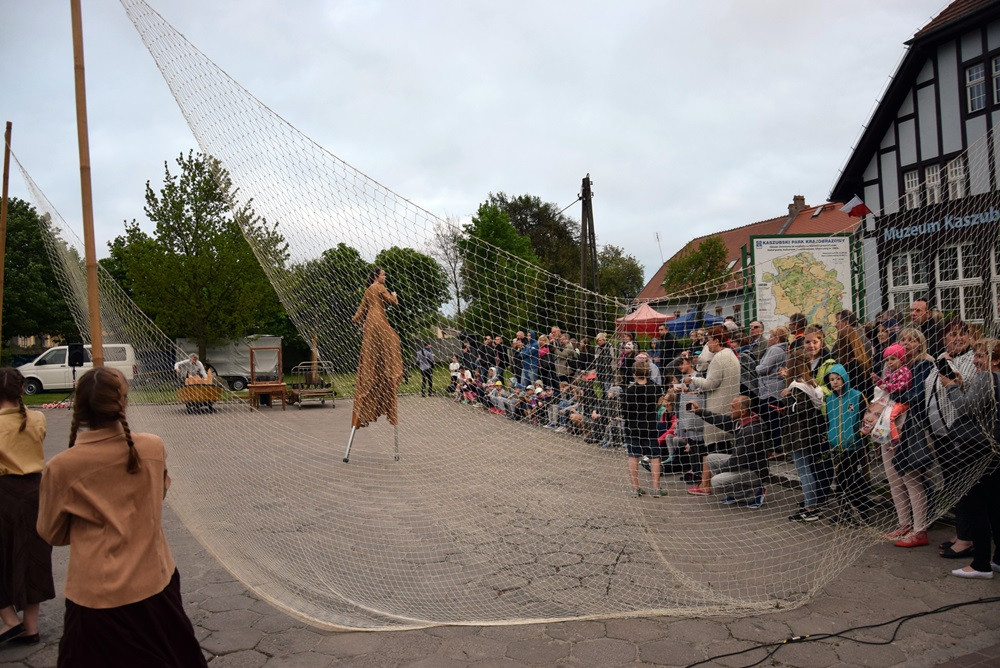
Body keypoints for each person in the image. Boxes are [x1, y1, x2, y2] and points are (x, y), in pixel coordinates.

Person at [36, 367, 206, 666]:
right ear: (123, 402)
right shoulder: (152, 446)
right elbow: (159, 493)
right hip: (155, 582)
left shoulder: (62, 466)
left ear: (79, 406)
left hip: (96, 595)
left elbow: (52, 533)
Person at [0, 368, 54, 646]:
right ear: (21, 391)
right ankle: (30, 627)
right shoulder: (38, 418)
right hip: (35, 490)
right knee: (33, 556)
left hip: (4, 493)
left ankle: (9, 620)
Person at [942, 339, 1000, 578]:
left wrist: (951, 387)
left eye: (979, 357)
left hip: (979, 450)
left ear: (995, 360)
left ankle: (980, 564)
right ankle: (997, 559)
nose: (975, 361)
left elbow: (966, 409)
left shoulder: (989, 378)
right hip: (994, 449)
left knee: (977, 507)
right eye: (975, 356)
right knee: (996, 506)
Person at [881, 327, 937, 548]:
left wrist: (893, 391)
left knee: (911, 477)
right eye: (903, 339)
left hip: (912, 426)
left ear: (920, 343)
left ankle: (919, 528)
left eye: (912, 340)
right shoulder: (893, 363)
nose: (907, 343)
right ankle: (903, 523)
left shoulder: (924, 364)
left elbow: (916, 394)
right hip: (888, 423)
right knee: (894, 478)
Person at [685, 326, 740, 495]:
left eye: (709, 340)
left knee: (713, 451)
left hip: (718, 409)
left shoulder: (719, 357)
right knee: (720, 450)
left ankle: (708, 486)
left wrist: (693, 379)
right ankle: (707, 484)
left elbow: (711, 383)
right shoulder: (731, 355)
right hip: (726, 407)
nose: (707, 344)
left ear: (716, 340)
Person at [687, 396, 768, 507]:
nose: (730, 409)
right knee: (711, 459)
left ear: (743, 411)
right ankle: (737, 493)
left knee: (716, 481)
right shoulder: (740, 422)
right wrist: (699, 411)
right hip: (744, 465)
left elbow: (737, 461)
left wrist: (721, 471)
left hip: (755, 471)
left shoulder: (752, 431)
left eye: (733, 407)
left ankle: (754, 492)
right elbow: (721, 420)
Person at [781, 350, 827, 522]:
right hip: (810, 432)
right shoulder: (812, 384)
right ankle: (812, 504)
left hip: (799, 435)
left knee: (804, 470)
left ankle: (810, 507)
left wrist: (787, 398)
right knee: (809, 468)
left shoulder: (797, 386)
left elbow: (799, 409)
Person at [824, 364, 871, 525]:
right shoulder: (829, 399)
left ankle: (861, 514)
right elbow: (829, 421)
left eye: (838, 378)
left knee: (852, 481)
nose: (835, 382)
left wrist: (858, 435)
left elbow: (866, 418)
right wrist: (830, 437)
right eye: (832, 380)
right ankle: (847, 513)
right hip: (838, 447)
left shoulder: (856, 396)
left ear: (845, 378)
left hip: (855, 447)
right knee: (843, 481)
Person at [622, 359, 664, 497]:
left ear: (634, 374)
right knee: (655, 456)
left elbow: (625, 412)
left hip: (633, 428)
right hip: (650, 426)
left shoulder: (630, 390)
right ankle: (656, 488)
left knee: (633, 456)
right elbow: (659, 404)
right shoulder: (655, 388)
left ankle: (635, 488)